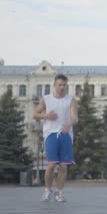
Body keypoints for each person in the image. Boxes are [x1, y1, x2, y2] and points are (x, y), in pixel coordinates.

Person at [33, 74, 78, 202]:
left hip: (66, 135)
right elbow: (35, 114)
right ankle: (47, 190)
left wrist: (69, 124)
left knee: (63, 166)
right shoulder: (46, 99)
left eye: (64, 85)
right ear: (54, 85)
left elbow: (75, 117)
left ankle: (59, 193)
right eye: (59, 85)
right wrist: (46, 116)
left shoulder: (71, 100)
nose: (62, 87)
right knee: (51, 164)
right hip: (51, 134)